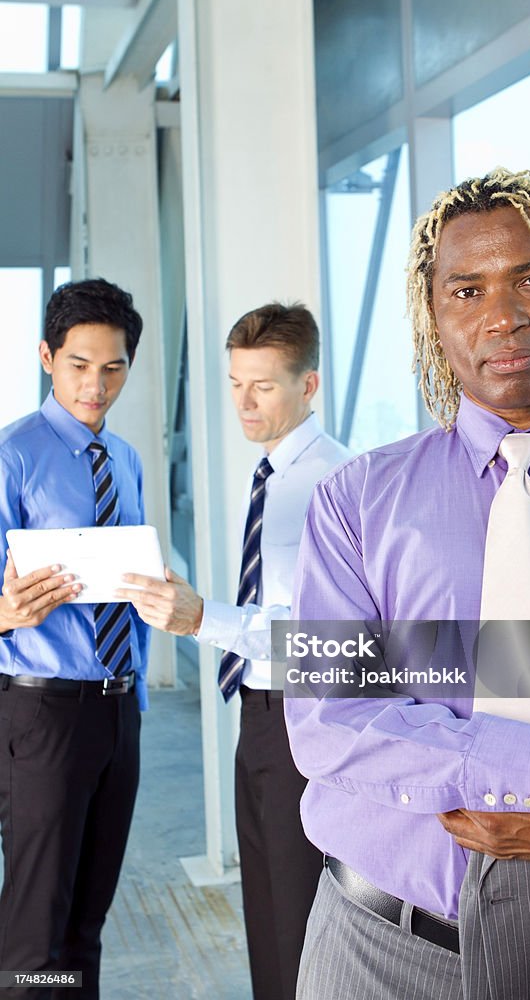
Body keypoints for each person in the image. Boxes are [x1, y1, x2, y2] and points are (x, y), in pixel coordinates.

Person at [283, 169, 530, 999]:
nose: (502, 315)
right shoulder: (356, 502)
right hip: (382, 949)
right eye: (466, 290)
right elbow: (331, 716)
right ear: (434, 318)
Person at [118, 302, 350, 1000]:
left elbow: (324, 639)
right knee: (267, 905)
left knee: (298, 913)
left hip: (303, 716)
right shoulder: (270, 474)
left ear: (308, 386)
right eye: (233, 384)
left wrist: (202, 619)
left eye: (263, 386)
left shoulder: (332, 485)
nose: (243, 404)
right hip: (259, 710)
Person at [0, 278, 149, 999]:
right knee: (36, 930)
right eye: (79, 365)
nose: (96, 384)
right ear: (46, 358)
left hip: (120, 707)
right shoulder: (12, 456)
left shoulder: (124, 459)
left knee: (89, 918)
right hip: (44, 710)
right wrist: (6, 611)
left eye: (113, 367)